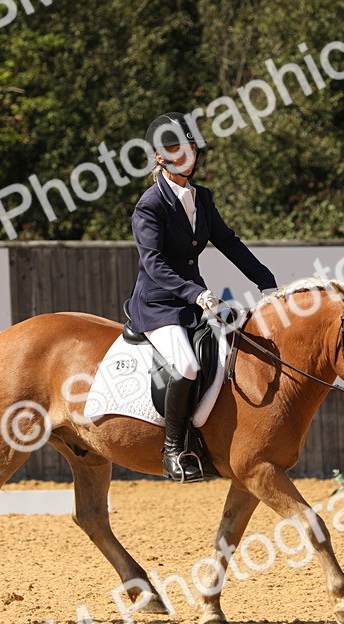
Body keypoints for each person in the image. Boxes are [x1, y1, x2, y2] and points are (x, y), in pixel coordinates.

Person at [129, 111, 278, 483]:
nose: (187, 154)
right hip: (159, 305)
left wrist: (267, 282)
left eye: (190, 146)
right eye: (177, 148)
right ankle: (173, 451)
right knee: (187, 366)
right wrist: (196, 293)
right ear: (160, 156)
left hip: (192, 303)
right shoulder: (150, 205)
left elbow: (229, 243)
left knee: (231, 352)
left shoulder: (203, 198)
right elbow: (154, 264)